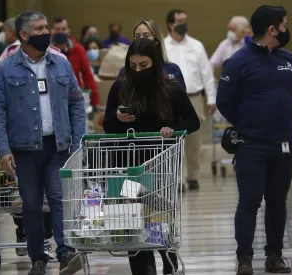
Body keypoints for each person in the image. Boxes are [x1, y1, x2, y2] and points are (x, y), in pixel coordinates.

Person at [0, 10, 85, 275]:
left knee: (58, 197)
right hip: (24, 150)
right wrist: (3, 149)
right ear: (23, 35)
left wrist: (77, 141)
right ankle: (37, 258)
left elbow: (76, 102)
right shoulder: (5, 68)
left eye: (46, 28)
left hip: (57, 146)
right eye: (39, 29)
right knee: (30, 204)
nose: (46, 33)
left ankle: (65, 253)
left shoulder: (61, 63)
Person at [103, 38, 200, 275]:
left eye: (143, 65)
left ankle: (169, 263)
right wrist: (118, 118)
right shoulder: (120, 87)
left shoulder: (171, 88)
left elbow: (193, 121)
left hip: (160, 166)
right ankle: (142, 270)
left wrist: (173, 128)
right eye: (133, 65)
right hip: (127, 166)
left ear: (155, 63)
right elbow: (107, 125)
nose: (137, 71)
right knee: (133, 226)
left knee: (159, 222)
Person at [217, 5, 292, 275]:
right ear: (272, 29)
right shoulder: (238, 62)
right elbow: (224, 102)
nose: (287, 29)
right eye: (284, 25)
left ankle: (275, 256)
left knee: (278, 201)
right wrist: (250, 124)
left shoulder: (289, 59)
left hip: (284, 143)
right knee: (249, 201)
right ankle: (244, 259)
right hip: (251, 144)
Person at [164, 9, 217, 191]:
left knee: (194, 142)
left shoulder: (196, 46)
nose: (184, 23)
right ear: (170, 24)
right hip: (170, 99)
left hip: (194, 98)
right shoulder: (163, 46)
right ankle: (176, 179)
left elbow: (207, 74)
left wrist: (211, 98)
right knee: (173, 140)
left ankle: (193, 177)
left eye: (185, 20)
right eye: (180, 20)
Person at [118, 19, 186, 90]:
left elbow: (181, 98)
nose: (141, 39)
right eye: (137, 36)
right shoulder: (125, 71)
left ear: (156, 41)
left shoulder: (172, 69)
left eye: (146, 36)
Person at [51, 17, 99, 107]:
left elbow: (87, 75)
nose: (60, 32)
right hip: (51, 97)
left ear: (68, 31)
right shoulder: (45, 50)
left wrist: (95, 101)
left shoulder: (78, 50)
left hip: (73, 97)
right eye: (57, 29)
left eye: (63, 29)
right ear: (52, 31)